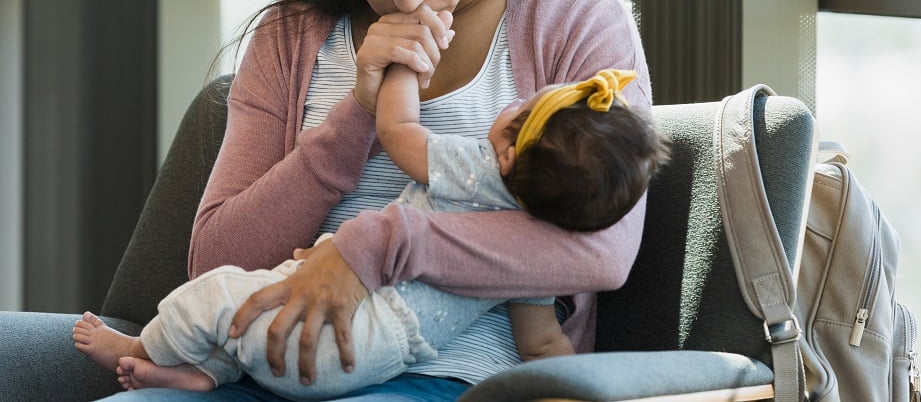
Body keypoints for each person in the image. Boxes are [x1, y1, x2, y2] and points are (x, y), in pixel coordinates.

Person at [97, 0, 654, 401]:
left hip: (457, 377)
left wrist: (378, 247)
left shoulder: (575, 20)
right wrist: (356, 113)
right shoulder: (292, 34)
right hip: (256, 365)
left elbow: (601, 254)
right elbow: (215, 258)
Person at [72, 68, 668, 398]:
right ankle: (208, 373)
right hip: (379, 357)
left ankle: (142, 348)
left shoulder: (480, 172)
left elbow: (401, 131)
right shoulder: (539, 260)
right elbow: (541, 345)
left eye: (521, 106)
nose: (514, 99)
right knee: (248, 308)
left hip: (343, 329)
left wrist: (403, 68)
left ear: (509, 155)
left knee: (220, 294)